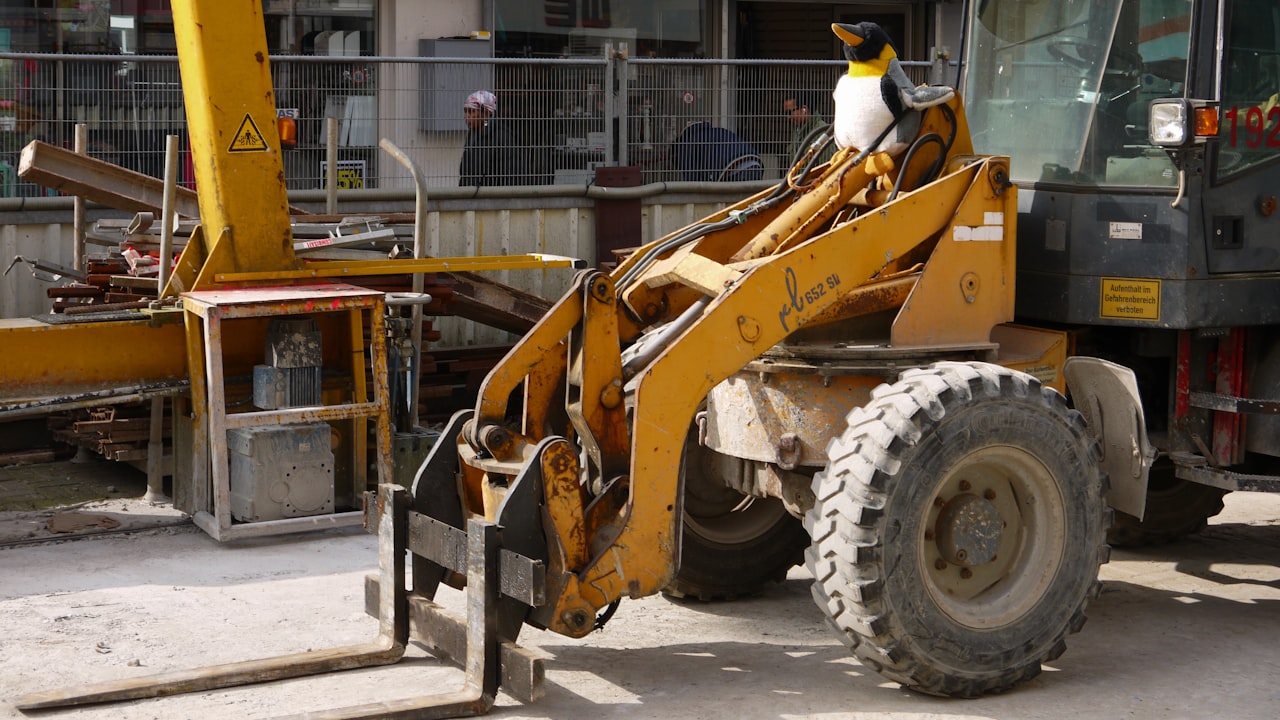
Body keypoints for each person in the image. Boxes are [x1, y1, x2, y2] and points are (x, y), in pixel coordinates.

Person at [458, 90, 525, 187]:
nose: (466, 116)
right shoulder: (472, 135)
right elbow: (465, 172)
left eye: (471, 111)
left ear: (485, 113)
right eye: (465, 112)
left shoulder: (502, 136)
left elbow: (510, 174)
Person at [670, 121, 764, 182]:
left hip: (732, 169)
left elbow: (691, 177)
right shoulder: (717, 132)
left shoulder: (686, 143)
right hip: (754, 162)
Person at [783, 91, 836, 167]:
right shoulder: (797, 131)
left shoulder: (821, 132)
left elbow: (826, 167)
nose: (788, 117)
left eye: (789, 112)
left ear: (804, 109)